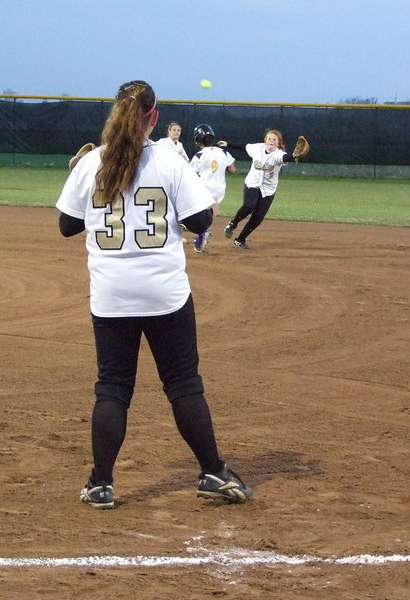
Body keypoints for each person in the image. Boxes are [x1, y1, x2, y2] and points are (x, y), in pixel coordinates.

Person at [55, 80, 252, 508]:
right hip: (165, 293)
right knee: (183, 384)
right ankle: (214, 473)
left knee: (113, 388)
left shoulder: (92, 164)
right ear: (154, 118)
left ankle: (101, 483)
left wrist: (86, 182)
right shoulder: (168, 160)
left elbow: (67, 226)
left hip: (110, 296)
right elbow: (200, 221)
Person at [218, 129, 298, 250]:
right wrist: (228, 144)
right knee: (249, 206)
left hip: (268, 189)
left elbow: (286, 158)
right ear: (265, 140)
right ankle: (233, 224)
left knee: (258, 218)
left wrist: (294, 156)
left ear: (278, 143)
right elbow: (243, 147)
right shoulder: (257, 148)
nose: (271, 141)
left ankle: (240, 240)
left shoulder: (278, 154)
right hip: (253, 183)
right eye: (269, 138)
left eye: (274, 139)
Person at [189, 123, 236, 254]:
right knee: (208, 214)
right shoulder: (223, 152)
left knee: (192, 214)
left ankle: (202, 234)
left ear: (198, 140)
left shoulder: (199, 155)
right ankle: (199, 241)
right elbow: (233, 169)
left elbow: (190, 175)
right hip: (219, 191)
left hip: (204, 189)